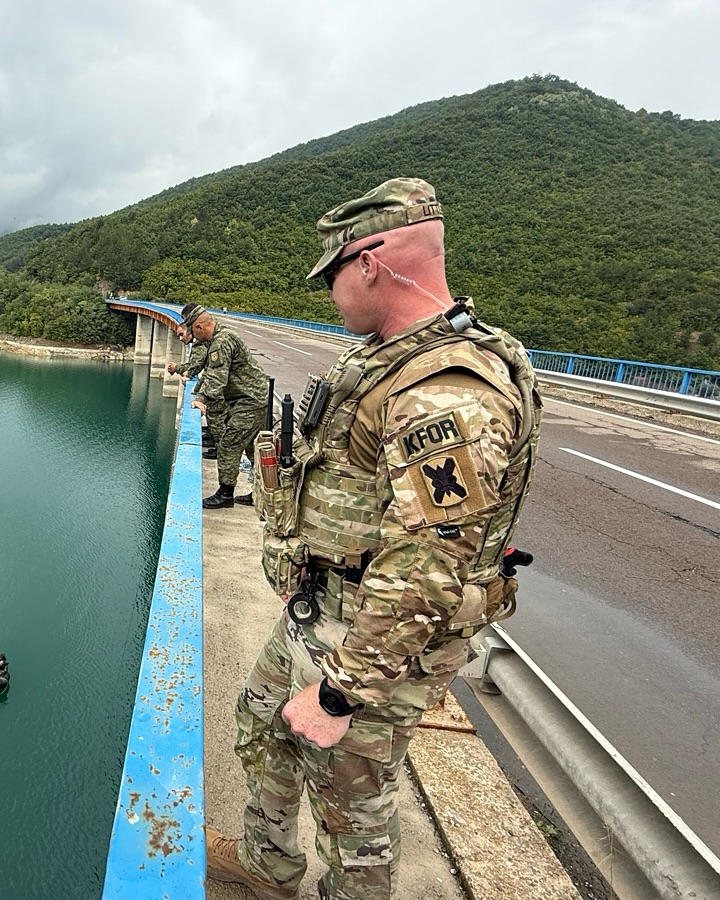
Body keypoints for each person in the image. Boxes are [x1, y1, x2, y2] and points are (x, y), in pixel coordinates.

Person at [205, 178, 541, 900]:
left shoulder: (446, 390)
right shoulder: (391, 356)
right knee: (263, 725)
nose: (329, 292)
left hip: (371, 635)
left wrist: (341, 693)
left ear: (371, 262)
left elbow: (430, 562)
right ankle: (267, 866)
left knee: (351, 802)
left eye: (331, 274)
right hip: (323, 604)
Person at [184, 305, 269, 508]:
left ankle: (225, 494)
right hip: (252, 398)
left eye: (193, 333)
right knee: (252, 447)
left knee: (230, 444)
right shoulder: (223, 335)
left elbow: (216, 376)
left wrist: (201, 398)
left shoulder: (220, 342)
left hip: (249, 401)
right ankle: (261, 493)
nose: (194, 338)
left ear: (199, 327)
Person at [167, 306, 221, 454]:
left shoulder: (211, 341)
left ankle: (218, 446)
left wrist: (199, 393)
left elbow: (201, 367)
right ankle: (214, 438)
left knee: (218, 413)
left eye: (181, 334)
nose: (180, 338)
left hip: (243, 399)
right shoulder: (209, 340)